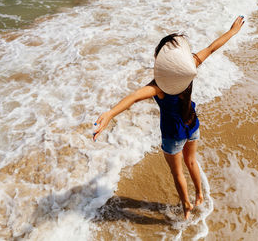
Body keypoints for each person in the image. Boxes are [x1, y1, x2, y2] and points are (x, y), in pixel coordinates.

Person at [93, 16, 244, 219]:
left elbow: (134, 97)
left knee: (178, 173)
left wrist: (110, 113)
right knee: (192, 162)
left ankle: (187, 205)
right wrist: (232, 31)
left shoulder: (158, 87)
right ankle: (199, 195)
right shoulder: (189, 68)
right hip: (192, 124)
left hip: (173, 134)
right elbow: (211, 48)